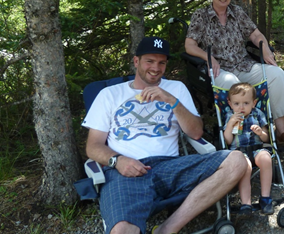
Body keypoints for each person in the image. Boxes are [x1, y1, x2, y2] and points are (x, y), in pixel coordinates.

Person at [81, 36, 247, 234]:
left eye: (161, 62)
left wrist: (171, 101)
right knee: (122, 231)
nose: (156, 68)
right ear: (136, 61)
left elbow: (195, 132)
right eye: (149, 61)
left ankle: (166, 229)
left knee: (237, 160)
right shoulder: (109, 95)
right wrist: (118, 161)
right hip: (126, 170)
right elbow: (93, 146)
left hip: (169, 167)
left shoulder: (176, 88)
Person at [185, 0, 284, 147]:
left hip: (243, 64)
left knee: (276, 74)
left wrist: (264, 49)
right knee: (233, 85)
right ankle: (241, 135)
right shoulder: (201, 15)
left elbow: (255, 34)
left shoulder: (237, 12)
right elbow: (190, 45)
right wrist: (208, 57)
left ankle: (282, 131)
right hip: (220, 70)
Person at [223, 82, 274, 215]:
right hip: (239, 153)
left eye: (246, 103)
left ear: (254, 102)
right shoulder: (230, 116)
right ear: (230, 103)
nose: (241, 107)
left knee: (266, 159)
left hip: (257, 148)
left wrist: (260, 133)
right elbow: (227, 141)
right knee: (246, 167)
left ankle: (265, 198)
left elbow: (266, 139)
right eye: (236, 104)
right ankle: (246, 203)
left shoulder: (257, 114)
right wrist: (230, 125)